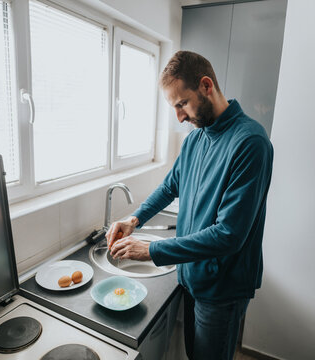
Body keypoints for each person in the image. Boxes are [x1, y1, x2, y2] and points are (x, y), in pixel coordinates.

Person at [107, 50, 274, 360]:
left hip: (221, 289)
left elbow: (229, 234)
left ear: (206, 86)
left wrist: (152, 250)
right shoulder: (195, 140)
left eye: (182, 104)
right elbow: (171, 186)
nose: (180, 117)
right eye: (175, 107)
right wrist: (134, 219)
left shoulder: (250, 143)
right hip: (191, 277)